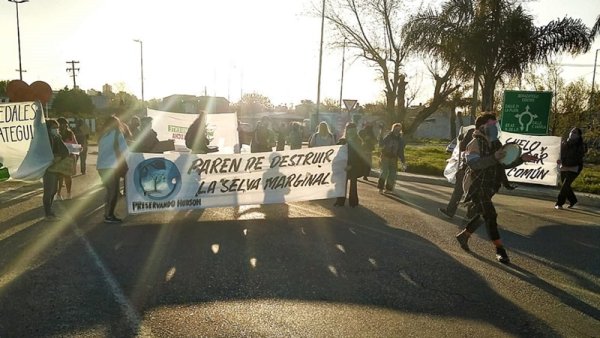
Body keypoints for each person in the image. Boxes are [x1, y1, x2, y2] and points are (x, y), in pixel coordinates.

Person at [455, 113, 536, 264]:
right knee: (491, 215)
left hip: (490, 186)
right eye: (491, 125)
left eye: (495, 125)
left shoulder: (496, 144)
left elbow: (503, 164)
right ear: (482, 127)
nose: (494, 128)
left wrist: (521, 159)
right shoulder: (474, 143)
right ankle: (500, 250)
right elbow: (474, 164)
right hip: (476, 186)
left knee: (482, 214)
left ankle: (464, 235)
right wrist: (494, 158)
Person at [96, 115, 129, 223]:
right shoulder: (117, 134)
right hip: (111, 166)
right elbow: (125, 150)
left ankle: (108, 213)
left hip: (101, 166)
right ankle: (109, 216)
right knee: (113, 192)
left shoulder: (102, 135)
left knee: (110, 191)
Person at [438, 127, 475, 219]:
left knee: (458, 191)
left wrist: (461, 139)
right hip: (481, 168)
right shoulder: (491, 135)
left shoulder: (472, 132)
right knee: (474, 191)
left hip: (467, 167)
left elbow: (463, 147)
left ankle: (450, 211)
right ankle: (470, 215)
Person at [334, 122, 367, 208]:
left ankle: (353, 202)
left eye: (353, 130)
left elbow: (359, 155)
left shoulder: (358, 141)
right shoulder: (343, 140)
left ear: (355, 131)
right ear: (347, 131)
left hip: (354, 166)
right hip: (343, 166)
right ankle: (340, 201)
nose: (351, 132)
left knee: (353, 184)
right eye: (349, 130)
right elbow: (336, 151)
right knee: (342, 184)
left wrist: (351, 165)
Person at [43, 119, 69, 221]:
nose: (56, 129)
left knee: (54, 189)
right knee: (48, 190)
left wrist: (59, 157)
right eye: (54, 128)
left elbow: (65, 151)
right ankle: (47, 213)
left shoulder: (57, 137)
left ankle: (50, 210)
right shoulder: (44, 139)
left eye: (56, 128)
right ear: (48, 129)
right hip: (49, 167)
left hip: (57, 166)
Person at [555, 127, 586, 209]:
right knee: (565, 184)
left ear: (579, 136)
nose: (572, 134)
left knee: (565, 185)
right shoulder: (564, 143)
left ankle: (559, 203)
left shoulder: (581, 146)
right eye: (571, 132)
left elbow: (576, 157)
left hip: (574, 167)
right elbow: (559, 154)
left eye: (575, 133)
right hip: (564, 166)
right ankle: (573, 201)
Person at [377, 123, 406, 194]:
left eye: (399, 129)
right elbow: (381, 144)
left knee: (392, 174)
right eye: (396, 129)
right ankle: (380, 188)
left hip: (394, 158)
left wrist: (403, 160)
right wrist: (381, 132)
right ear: (393, 129)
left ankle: (388, 189)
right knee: (384, 172)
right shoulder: (388, 136)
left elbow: (401, 150)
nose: (397, 130)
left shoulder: (400, 139)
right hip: (385, 156)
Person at [56, 117, 78, 200]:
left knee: (66, 176)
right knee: (61, 177)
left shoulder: (69, 134)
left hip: (67, 157)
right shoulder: (57, 134)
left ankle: (67, 193)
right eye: (61, 124)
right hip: (61, 157)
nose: (63, 126)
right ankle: (59, 194)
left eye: (64, 124)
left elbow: (75, 144)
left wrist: (77, 149)